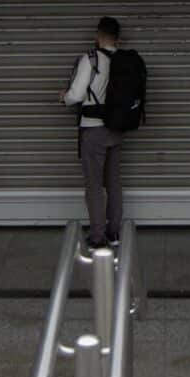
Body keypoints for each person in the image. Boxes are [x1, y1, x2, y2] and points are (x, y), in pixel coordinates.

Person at [60, 17, 125, 251]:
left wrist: (64, 98)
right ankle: (114, 232)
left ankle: (97, 237)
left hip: (93, 129)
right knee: (113, 182)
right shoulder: (123, 60)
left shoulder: (91, 59)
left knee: (94, 185)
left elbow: (77, 95)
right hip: (116, 128)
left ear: (98, 35)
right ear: (117, 38)